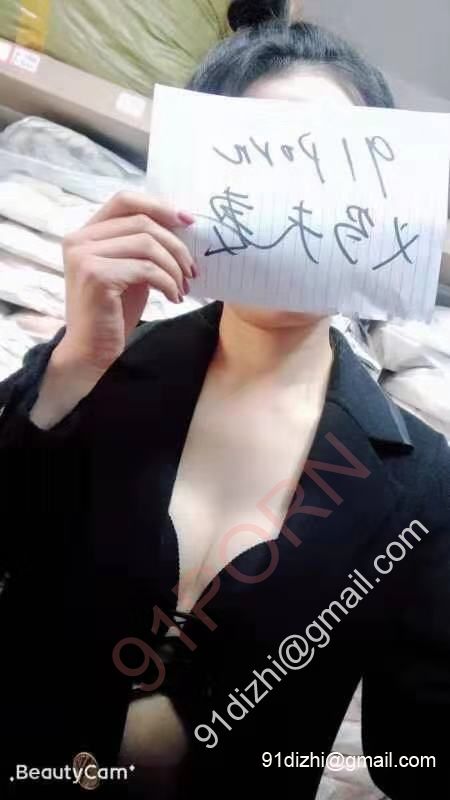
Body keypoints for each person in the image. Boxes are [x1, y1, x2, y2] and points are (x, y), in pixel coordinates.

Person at [1, 2, 449, 798]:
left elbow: (413, 752)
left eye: (334, 168)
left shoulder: (422, 481)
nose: (298, 204)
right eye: (259, 162)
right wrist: (74, 367)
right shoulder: (86, 374)